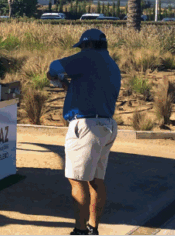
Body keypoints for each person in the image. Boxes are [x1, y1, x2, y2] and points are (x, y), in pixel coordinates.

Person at [47, 29, 121, 235]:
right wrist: (69, 87)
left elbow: (54, 67)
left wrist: (56, 78)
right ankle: (92, 227)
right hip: (106, 125)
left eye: (82, 46)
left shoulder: (88, 57)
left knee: (77, 179)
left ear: (87, 45)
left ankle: (80, 231)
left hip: (86, 126)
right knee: (96, 180)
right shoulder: (111, 65)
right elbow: (92, 90)